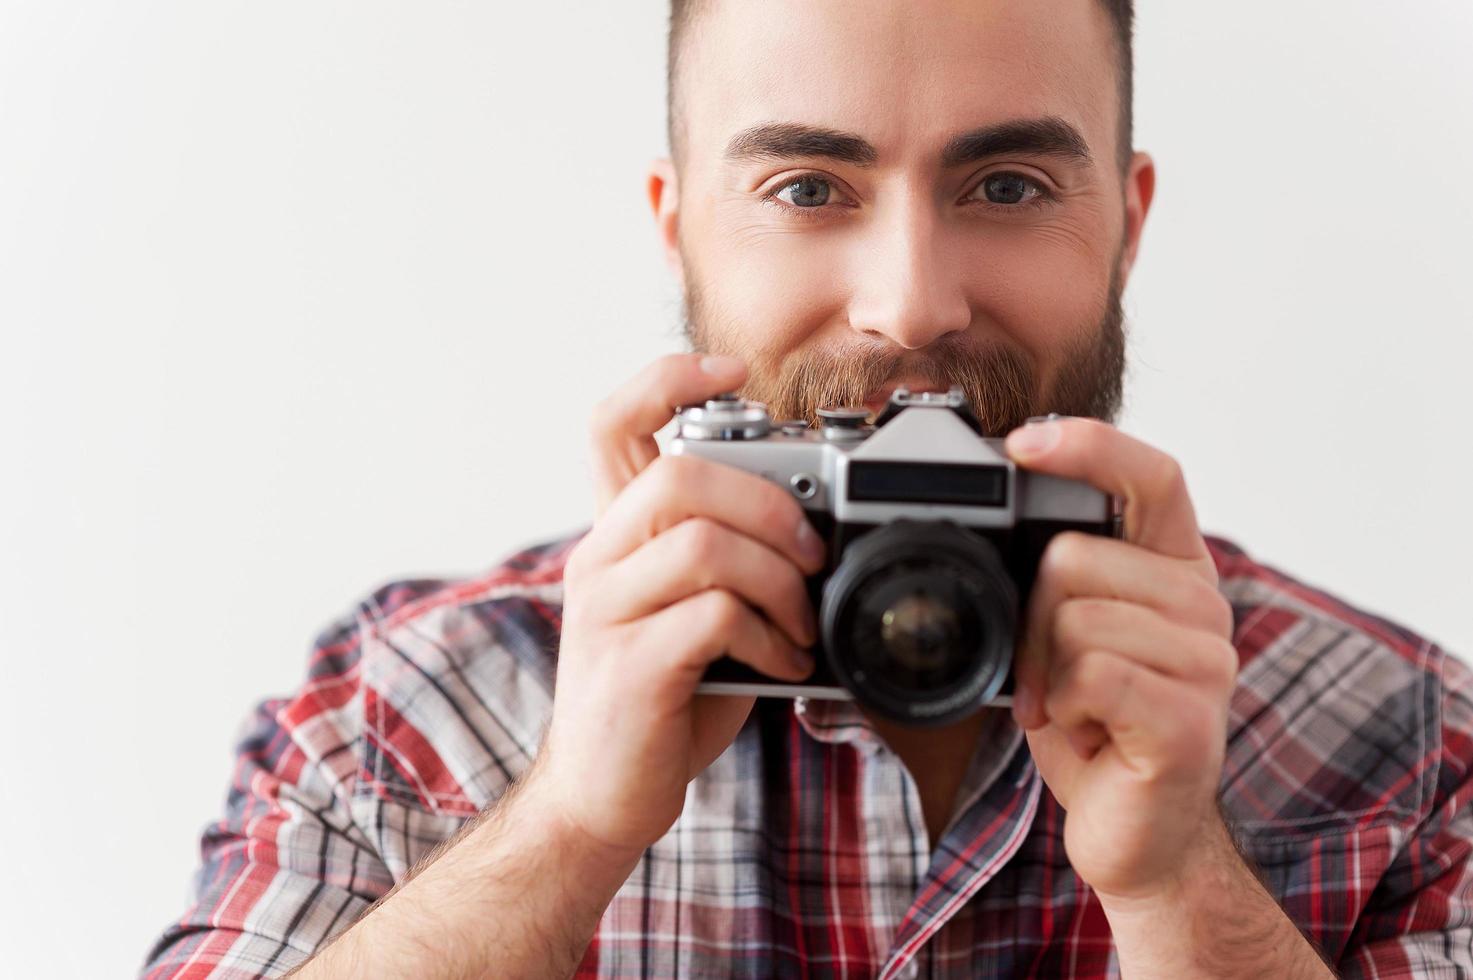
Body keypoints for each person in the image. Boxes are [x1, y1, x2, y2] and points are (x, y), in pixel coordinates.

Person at [140, 1, 1473, 977]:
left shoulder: (1410, 751)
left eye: (1005, 185)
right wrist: (558, 835)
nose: (909, 307)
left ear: (1124, 225)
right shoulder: (402, 715)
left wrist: (1185, 894)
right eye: (807, 186)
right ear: (681, 227)